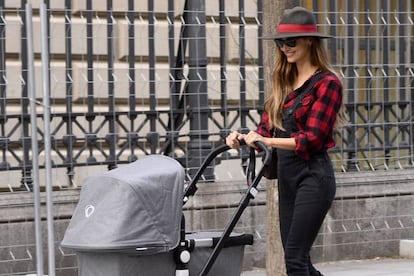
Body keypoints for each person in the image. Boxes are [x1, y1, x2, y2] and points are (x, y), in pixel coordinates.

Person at [225, 6, 347, 276]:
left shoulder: (327, 83)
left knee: (294, 258)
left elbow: (312, 139)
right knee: (299, 261)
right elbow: (266, 130)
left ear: (309, 42)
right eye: (281, 42)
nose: (284, 48)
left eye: (290, 41)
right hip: (288, 178)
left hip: (314, 177)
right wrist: (244, 138)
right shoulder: (283, 81)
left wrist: (267, 141)